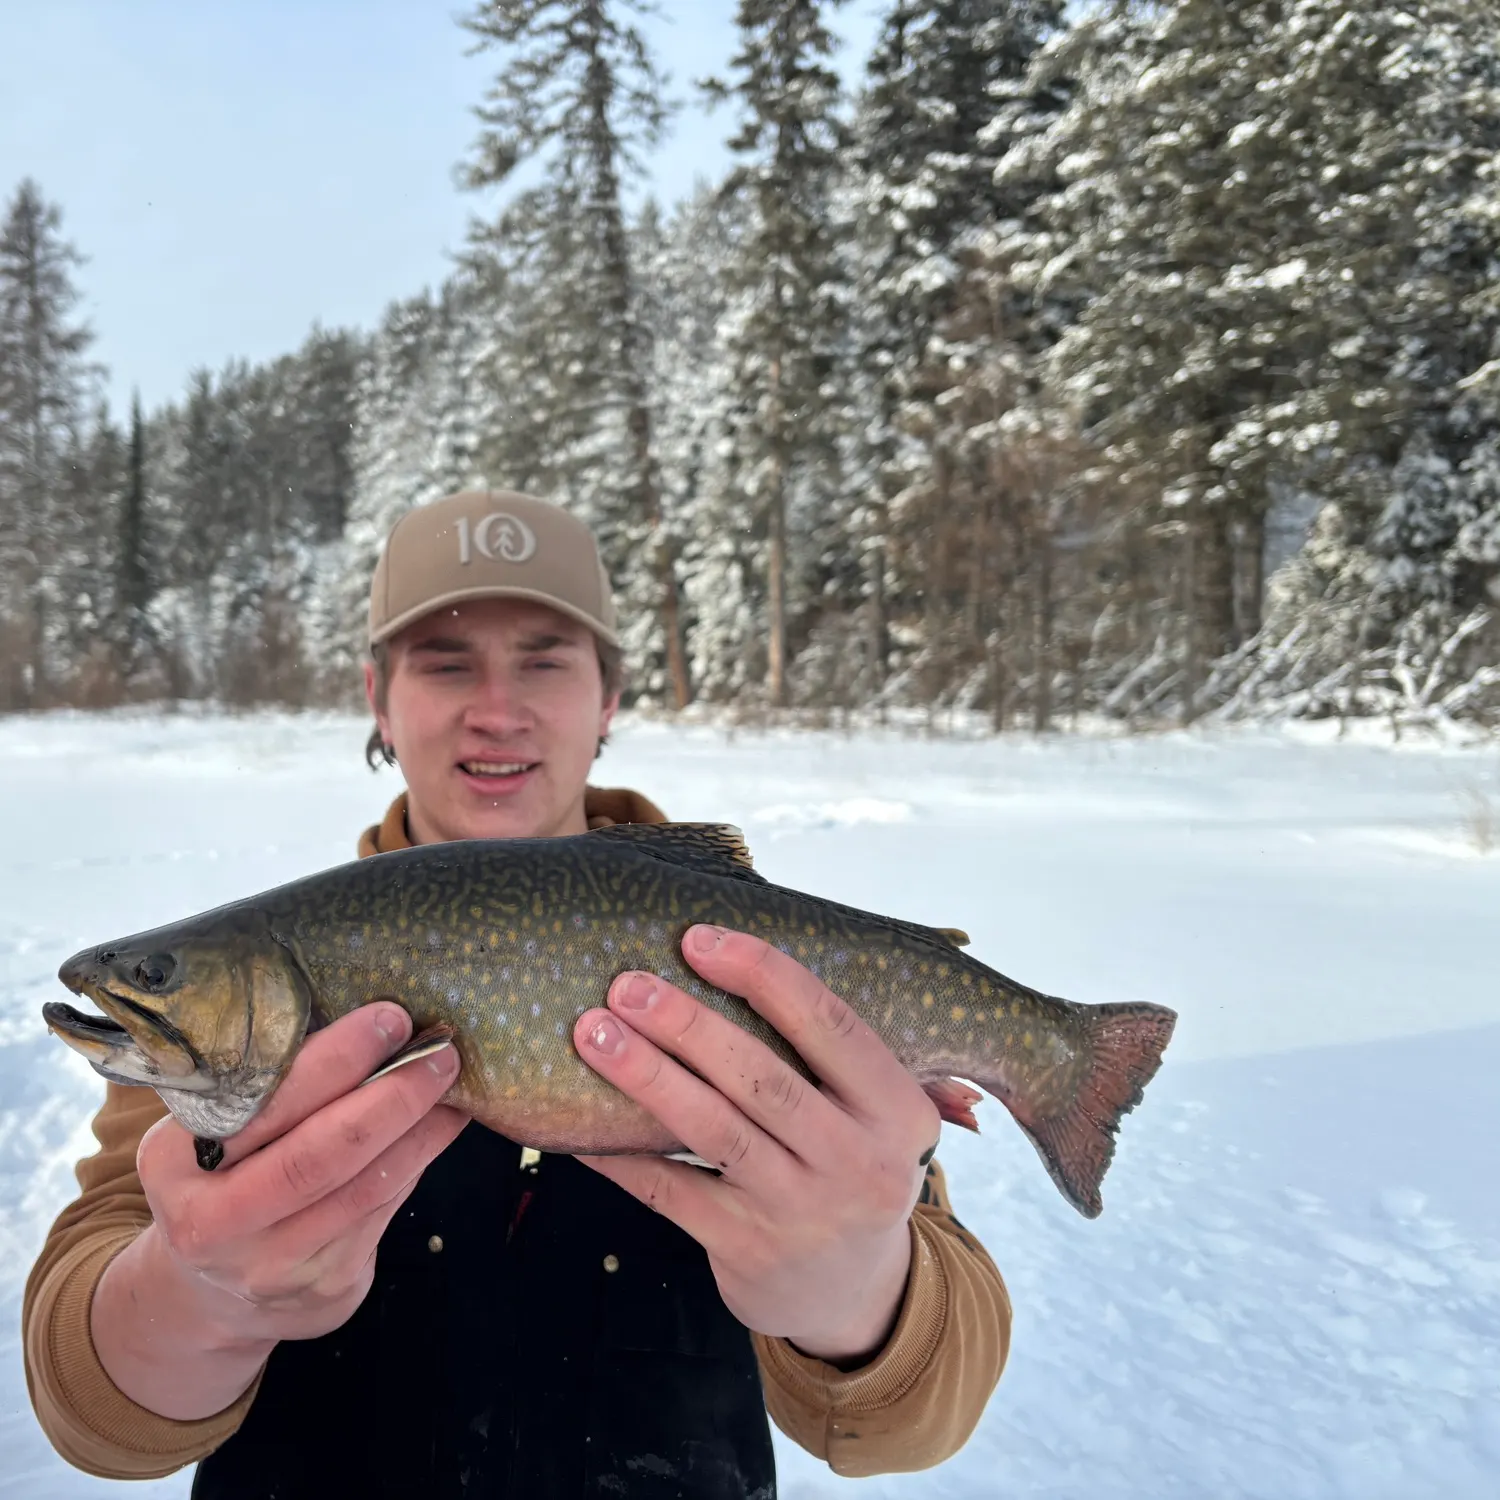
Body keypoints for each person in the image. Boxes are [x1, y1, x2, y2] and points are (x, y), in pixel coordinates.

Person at [24, 490, 1011, 1498]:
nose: (496, 709)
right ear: (378, 697)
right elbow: (92, 1419)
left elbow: (908, 1426)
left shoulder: (764, 961)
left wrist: (857, 1292)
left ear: (610, 695)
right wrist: (195, 1296)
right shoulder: (241, 996)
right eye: (446, 662)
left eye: (544, 658)